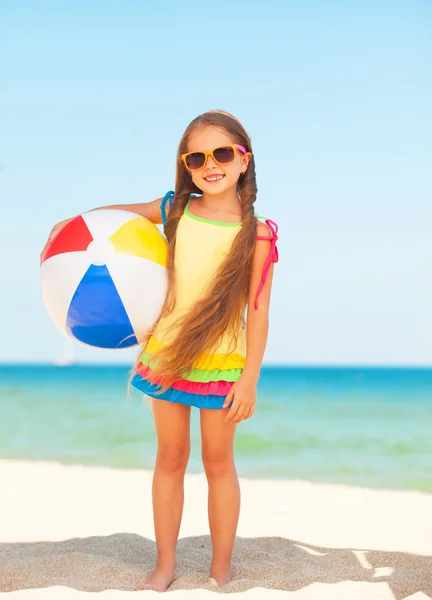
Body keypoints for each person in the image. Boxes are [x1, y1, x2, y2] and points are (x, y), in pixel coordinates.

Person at [40, 110, 279, 592]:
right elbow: (119, 218)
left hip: (222, 364)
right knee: (170, 457)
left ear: (243, 160)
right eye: (197, 157)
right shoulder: (176, 210)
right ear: (186, 166)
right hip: (167, 354)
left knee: (218, 463)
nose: (210, 164)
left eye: (222, 153)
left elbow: (258, 312)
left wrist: (249, 378)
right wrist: (74, 222)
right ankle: (164, 565)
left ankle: (221, 567)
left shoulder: (258, 233)